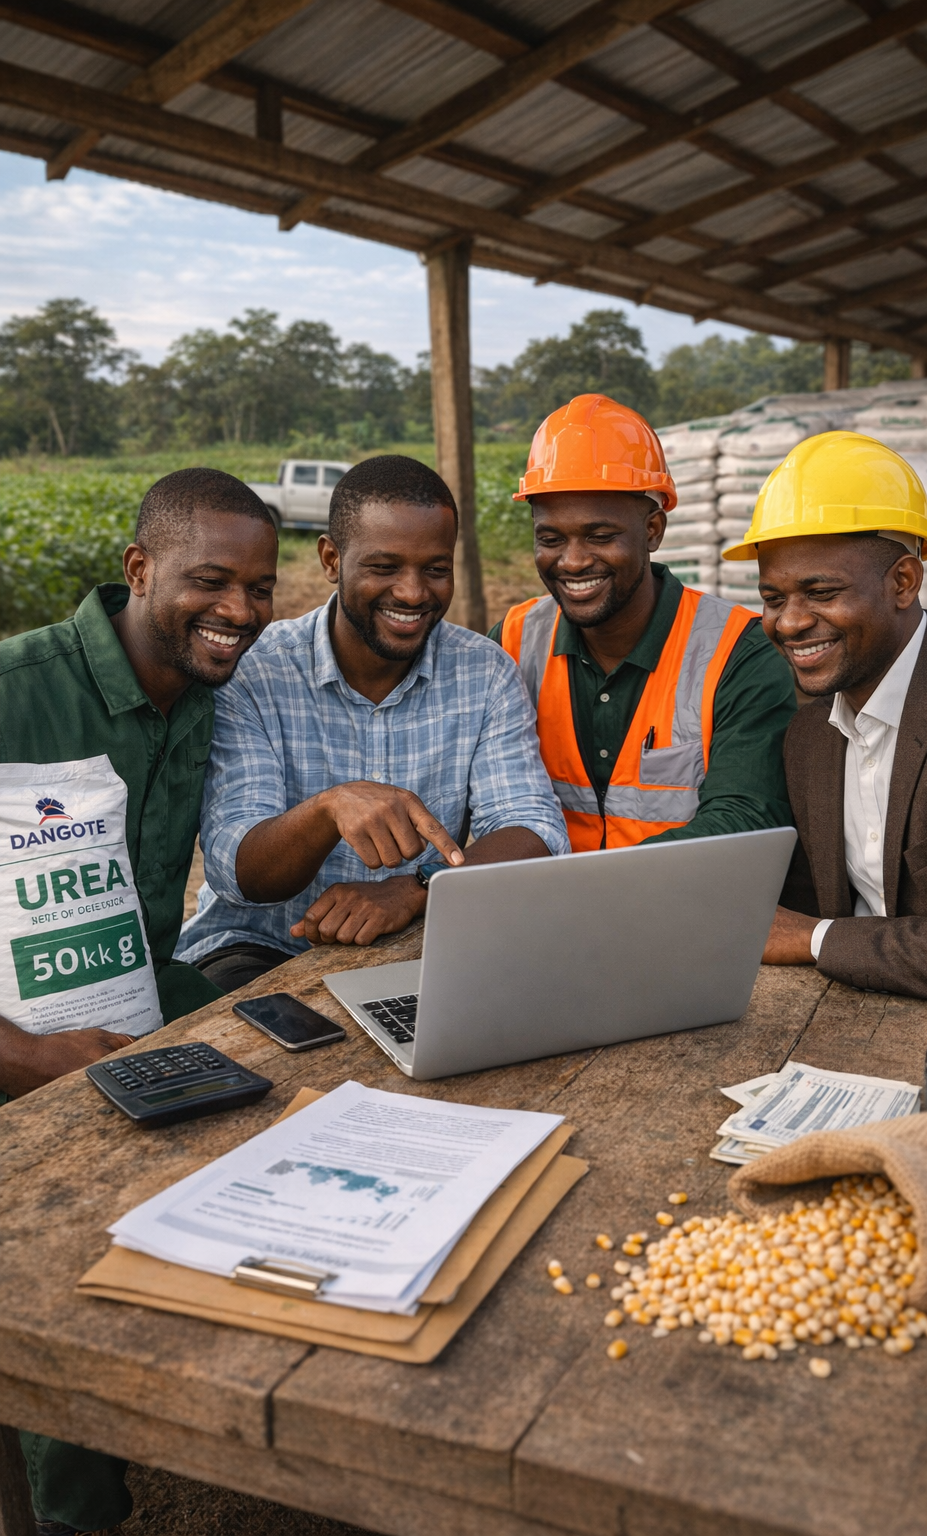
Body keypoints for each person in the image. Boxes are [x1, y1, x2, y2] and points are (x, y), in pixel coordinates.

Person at [0, 467, 278, 1534]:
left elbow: (148, 932)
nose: (240, 614)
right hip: (26, 1056)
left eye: (259, 590)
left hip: (128, 1023)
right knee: (64, 1275)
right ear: (137, 569)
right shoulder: (19, 691)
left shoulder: (209, 700)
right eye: (212, 582)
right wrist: (36, 1058)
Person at [177, 455, 569, 987]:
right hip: (261, 948)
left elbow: (534, 829)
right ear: (332, 559)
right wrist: (328, 809)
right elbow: (236, 870)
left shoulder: (485, 673)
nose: (412, 593)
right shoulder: (254, 671)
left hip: (421, 941)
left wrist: (418, 886)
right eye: (384, 568)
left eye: (435, 569)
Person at [730, 431, 927, 1016]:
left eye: (821, 592)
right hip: (858, 1024)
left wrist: (813, 937)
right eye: (772, 598)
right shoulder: (811, 738)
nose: (788, 623)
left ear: (903, 582)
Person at [491, 394, 795, 850]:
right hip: (543, 911)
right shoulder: (512, 642)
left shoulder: (738, 653)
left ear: (653, 530)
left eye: (600, 536)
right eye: (551, 538)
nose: (572, 562)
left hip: (681, 913)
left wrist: (603, 893)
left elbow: (744, 816)